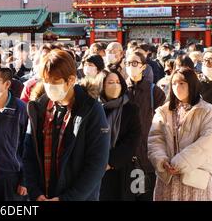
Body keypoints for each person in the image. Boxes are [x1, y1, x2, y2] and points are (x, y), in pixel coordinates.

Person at [24, 49, 110, 201]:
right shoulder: (39, 108)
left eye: (54, 82)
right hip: (43, 194)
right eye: (46, 81)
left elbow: (97, 163)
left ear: (70, 80)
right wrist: (35, 193)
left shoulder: (91, 109)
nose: (49, 86)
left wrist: (68, 198)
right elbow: (28, 154)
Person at [148, 67, 212, 200]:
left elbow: (208, 141)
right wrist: (162, 161)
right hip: (167, 179)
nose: (177, 87)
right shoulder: (163, 111)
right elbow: (155, 139)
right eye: (174, 83)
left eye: (182, 83)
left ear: (192, 84)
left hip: (195, 178)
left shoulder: (207, 110)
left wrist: (180, 162)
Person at [0, 66, 28, 201]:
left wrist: (24, 180)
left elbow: (29, 147)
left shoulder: (21, 110)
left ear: (7, 84)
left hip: (11, 176)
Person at [125, 51, 166, 201]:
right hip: (124, 156)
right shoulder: (120, 88)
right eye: (128, 63)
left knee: (144, 195)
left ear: (143, 67)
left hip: (146, 156)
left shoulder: (154, 91)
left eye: (135, 63)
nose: (131, 66)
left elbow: (163, 124)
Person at [99, 70, 141, 201]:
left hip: (122, 170)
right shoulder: (94, 109)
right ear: (102, 85)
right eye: (110, 82)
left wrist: (110, 162)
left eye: (117, 82)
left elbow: (133, 140)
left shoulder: (131, 109)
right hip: (96, 170)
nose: (115, 85)